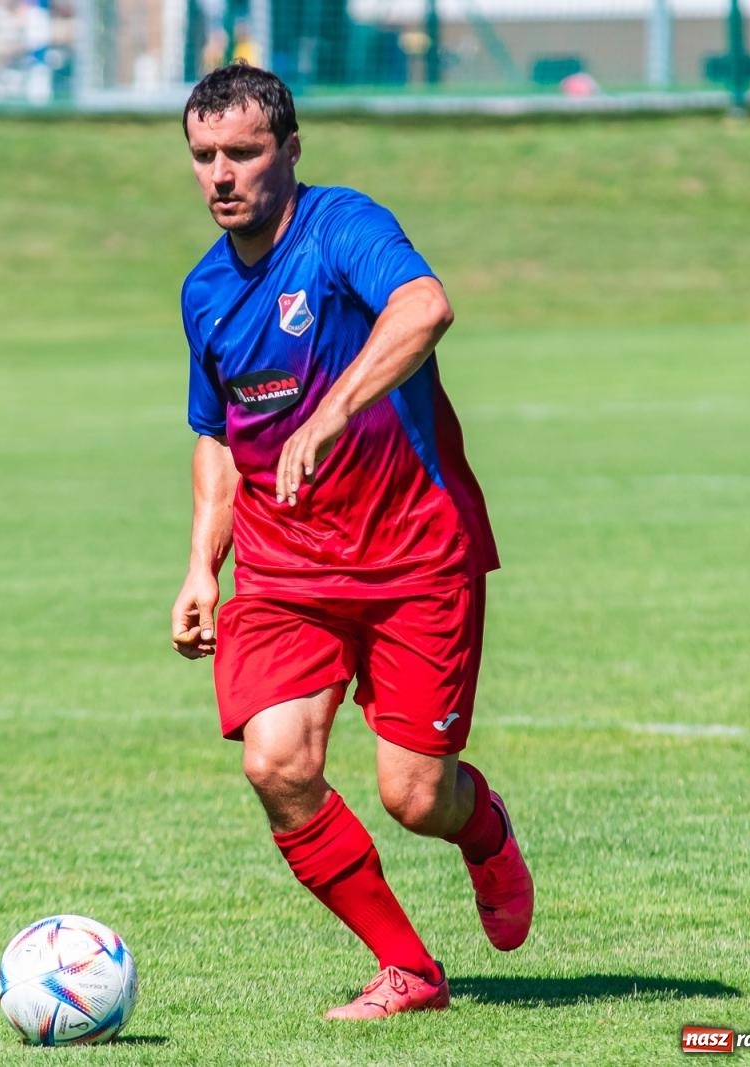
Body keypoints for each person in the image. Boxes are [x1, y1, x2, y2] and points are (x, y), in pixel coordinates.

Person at [170, 63, 532, 1019]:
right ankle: (410, 971)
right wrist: (203, 565)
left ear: (289, 151)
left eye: (243, 152)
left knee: (417, 797)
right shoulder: (204, 291)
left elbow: (425, 308)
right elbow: (216, 433)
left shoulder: (343, 228)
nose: (221, 174)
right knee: (276, 765)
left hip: (417, 553)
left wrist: (329, 415)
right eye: (204, 156)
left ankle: (485, 830)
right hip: (287, 568)